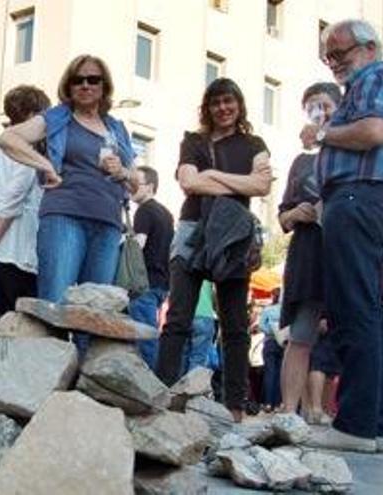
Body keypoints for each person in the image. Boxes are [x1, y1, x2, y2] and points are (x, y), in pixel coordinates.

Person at [0, 54, 138, 356]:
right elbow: (8, 139)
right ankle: (48, 383)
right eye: (78, 79)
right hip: (64, 215)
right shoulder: (57, 117)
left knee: (96, 314)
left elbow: (136, 183)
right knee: (55, 305)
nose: (85, 85)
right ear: (68, 85)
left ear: (104, 86)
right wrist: (45, 164)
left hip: (108, 223)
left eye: (93, 79)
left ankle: (84, 391)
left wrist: (123, 172)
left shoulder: (117, 128)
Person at [155, 78, 272, 422]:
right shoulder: (193, 140)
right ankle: (161, 396)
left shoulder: (254, 143)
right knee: (178, 318)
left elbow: (262, 185)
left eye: (229, 101)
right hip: (193, 229)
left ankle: (233, 407)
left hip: (233, 235)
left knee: (235, 324)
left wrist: (213, 175)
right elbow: (189, 182)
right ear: (207, 107)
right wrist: (238, 182)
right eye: (216, 102)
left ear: (239, 105)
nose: (223, 108)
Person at [301, 19, 383, 452]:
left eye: (339, 52)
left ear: (369, 47)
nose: (333, 62)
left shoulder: (373, 76)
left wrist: (323, 134)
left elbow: (373, 132)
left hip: (357, 199)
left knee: (354, 307)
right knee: (369, 307)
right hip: (365, 201)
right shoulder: (367, 81)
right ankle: (373, 422)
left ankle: (354, 424)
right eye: (327, 56)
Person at [278, 82, 342, 416]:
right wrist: (295, 213)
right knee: (301, 334)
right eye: (312, 106)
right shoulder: (302, 163)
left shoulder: (353, 151)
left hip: (347, 253)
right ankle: (290, 413)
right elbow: (283, 216)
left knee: (357, 330)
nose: (319, 112)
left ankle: (356, 416)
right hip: (308, 254)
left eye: (325, 104)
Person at [0, 85, 51, 337]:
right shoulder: (26, 147)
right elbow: (14, 197)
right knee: (17, 321)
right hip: (14, 248)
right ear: (31, 115)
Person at [127, 166, 174, 367]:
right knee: (150, 333)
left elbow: (139, 245)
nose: (131, 188)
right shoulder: (165, 213)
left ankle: (150, 383)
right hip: (161, 282)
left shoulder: (144, 211)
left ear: (150, 187)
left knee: (143, 337)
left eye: (136, 183)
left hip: (143, 282)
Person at [183, 280, 218, 373]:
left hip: (183, 315)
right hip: (204, 314)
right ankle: (192, 387)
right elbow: (216, 296)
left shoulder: (180, 267)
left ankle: (178, 386)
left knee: (182, 358)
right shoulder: (208, 270)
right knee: (198, 359)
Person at [259, 289, 284, 411]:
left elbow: (261, 326)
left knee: (269, 372)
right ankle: (278, 403)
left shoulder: (267, 310)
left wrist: (271, 331)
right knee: (281, 373)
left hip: (269, 342)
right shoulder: (285, 310)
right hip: (284, 343)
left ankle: (268, 403)